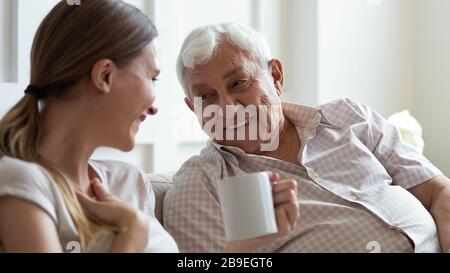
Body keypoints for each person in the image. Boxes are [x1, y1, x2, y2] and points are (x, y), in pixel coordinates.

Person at [0, 1, 296, 253]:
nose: (155, 106)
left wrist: (242, 246)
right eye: (152, 77)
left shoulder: (127, 182)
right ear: (104, 76)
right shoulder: (22, 183)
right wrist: (131, 234)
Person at [163, 22, 450, 253]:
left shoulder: (348, 117)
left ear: (275, 76)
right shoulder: (201, 184)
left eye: (238, 82)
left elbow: (438, 191)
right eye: (206, 96)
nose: (226, 107)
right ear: (193, 108)